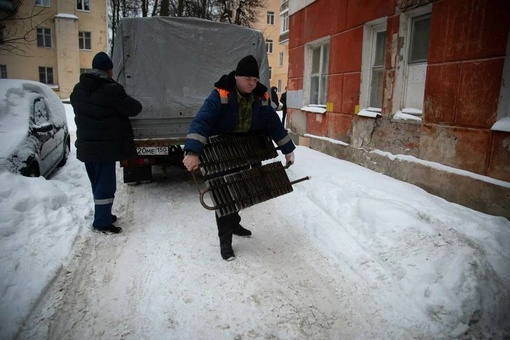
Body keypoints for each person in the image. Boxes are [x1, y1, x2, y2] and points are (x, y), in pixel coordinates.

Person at [183, 55, 296, 261]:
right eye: (247, 79)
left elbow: (274, 124)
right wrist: (192, 152)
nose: (252, 84)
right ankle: (225, 242)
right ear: (236, 77)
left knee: (242, 190)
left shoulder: (261, 97)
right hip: (221, 150)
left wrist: (288, 149)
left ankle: (234, 223)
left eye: (255, 79)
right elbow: (202, 121)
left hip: (247, 148)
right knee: (224, 195)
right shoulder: (220, 94)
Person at [70, 52, 142, 234]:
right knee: (106, 185)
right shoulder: (111, 89)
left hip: (86, 147)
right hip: (104, 148)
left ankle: (103, 214)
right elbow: (133, 108)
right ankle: (102, 222)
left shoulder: (78, 89)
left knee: (97, 183)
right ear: (109, 70)